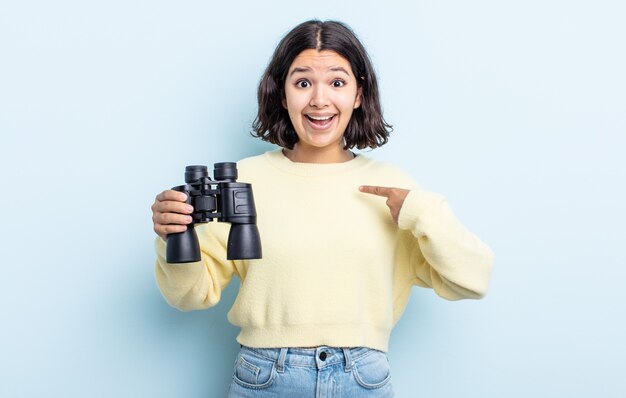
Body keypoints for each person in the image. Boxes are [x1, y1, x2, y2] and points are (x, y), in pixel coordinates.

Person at [151, 20, 494, 398]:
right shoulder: (244, 182)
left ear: (359, 94)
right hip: (265, 377)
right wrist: (173, 236)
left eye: (337, 82)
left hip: (363, 378)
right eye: (302, 83)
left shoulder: (395, 189)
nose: (319, 100)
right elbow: (189, 296)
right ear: (282, 94)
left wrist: (424, 212)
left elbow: (473, 280)